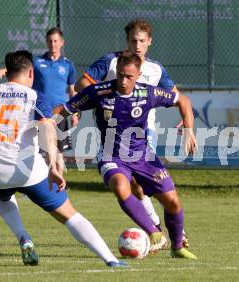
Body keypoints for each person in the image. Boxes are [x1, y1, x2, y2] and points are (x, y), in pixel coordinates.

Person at [0, 50, 126, 268]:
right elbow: (47, 129)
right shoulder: (35, 97)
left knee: (2, 198)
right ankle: (111, 260)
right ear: (31, 72)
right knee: (70, 215)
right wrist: (53, 163)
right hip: (29, 172)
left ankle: (23, 236)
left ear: (7, 72)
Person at [54, 53, 198, 259]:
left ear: (138, 75)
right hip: (111, 156)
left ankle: (177, 247)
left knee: (173, 202)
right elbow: (65, 109)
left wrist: (189, 129)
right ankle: (154, 232)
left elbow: (182, 100)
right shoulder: (99, 91)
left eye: (129, 76)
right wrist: (45, 123)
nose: (122, 81)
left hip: (143, 156)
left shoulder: (148, 93)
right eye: (120, 74)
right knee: (121, 187)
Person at [75, 18, 188, 248]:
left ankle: (168, 232)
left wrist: (186, 120)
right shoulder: (110, 61)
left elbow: (176, 95)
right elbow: (80, 86)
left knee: (141, 185)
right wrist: (104, 97)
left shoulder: (156, 69)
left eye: (142, 41)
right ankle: (156, 228)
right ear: (127, 40)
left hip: (145, 134)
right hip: (113, 131)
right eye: (133, 40)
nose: (138, 45)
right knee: (134, 185)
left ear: (149, 42)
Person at [0, 27, 78, 176]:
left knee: (59, 149)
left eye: (56, 41)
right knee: (39, 149)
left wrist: (75, 113)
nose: (53, 44)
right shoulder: (38, 61)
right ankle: (37, 179)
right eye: (50, 41)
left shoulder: (68, 65)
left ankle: (59, 182)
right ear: (46, 42)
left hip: (61, 112)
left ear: (62, 43)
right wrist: (3, 71)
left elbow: (72, 90)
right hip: (40, 112)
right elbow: (20, 67)